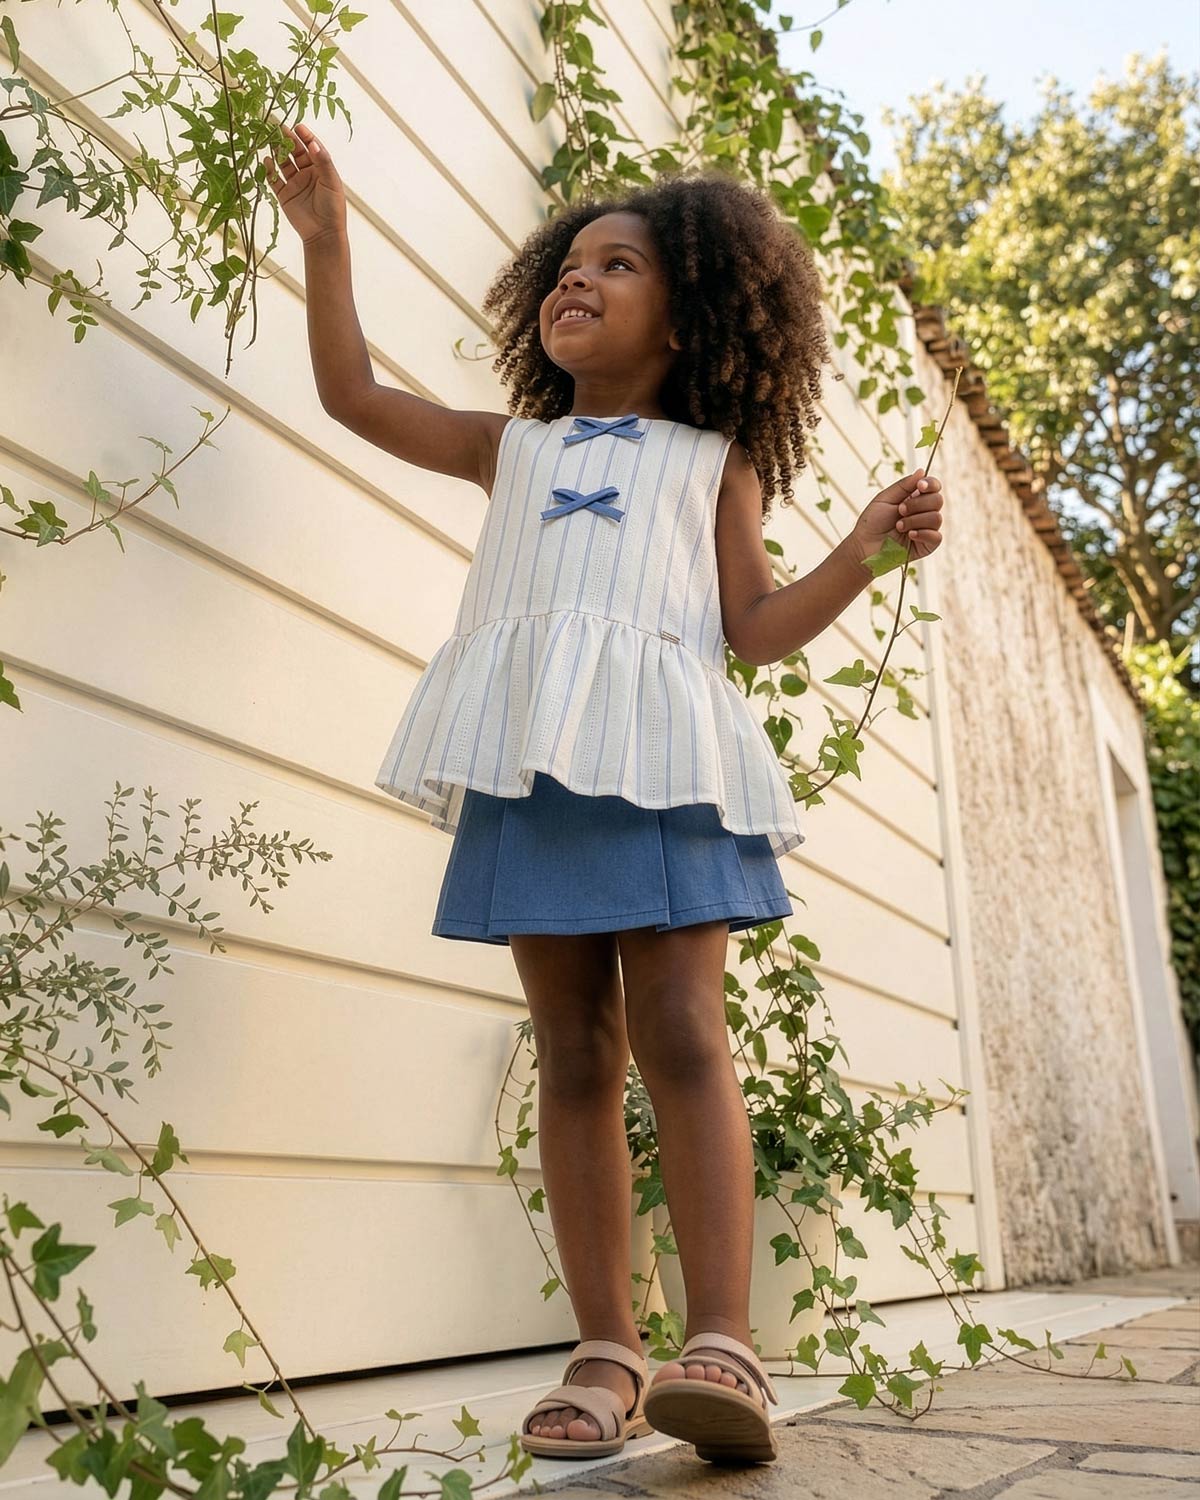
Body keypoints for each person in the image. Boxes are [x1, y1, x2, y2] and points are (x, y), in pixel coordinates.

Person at [266, 120, 944, 1468]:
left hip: (666, 762)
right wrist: (328, 243)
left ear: (687, 320)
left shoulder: (713, 464)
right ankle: (607, 1348)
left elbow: (753, 629)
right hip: (535, 759)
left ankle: (725, 1341)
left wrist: (864, 553)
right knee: (573, 1048)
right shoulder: (506, 449)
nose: (577, 277)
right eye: (568, 265)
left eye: (617, 264)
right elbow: (352, 395)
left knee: (683, 1028)